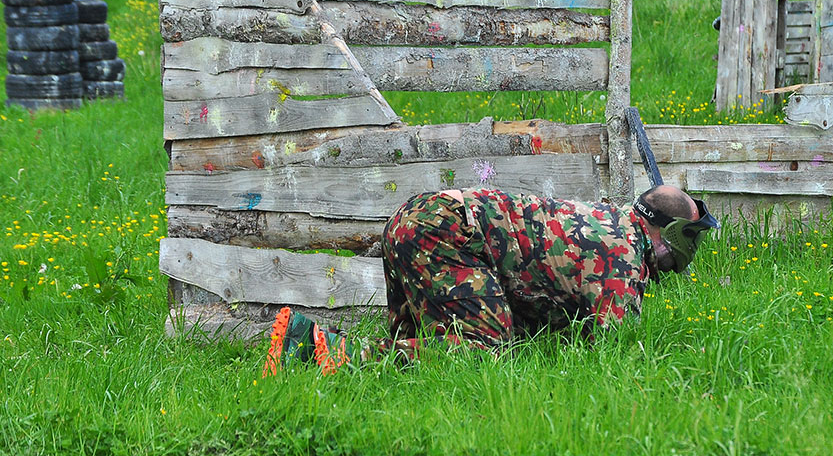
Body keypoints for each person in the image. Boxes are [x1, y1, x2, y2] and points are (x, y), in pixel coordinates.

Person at [262, 184, 719, 375]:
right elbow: (618, 354)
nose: (691, 250)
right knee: (479, 353)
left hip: (415, 218)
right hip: (446, 230)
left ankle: (310, 352)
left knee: (414, 357)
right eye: (691, 238)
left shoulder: (607, 221)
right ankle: (313, 346)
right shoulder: (623, 255)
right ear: (670, 233)